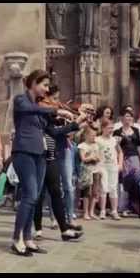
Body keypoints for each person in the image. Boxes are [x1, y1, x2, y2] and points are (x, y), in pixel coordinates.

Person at [10, 69, 74, 257]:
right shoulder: (21, 100)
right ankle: (16, 239)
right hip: (23, 152)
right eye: (44, 85)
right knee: (29, 195)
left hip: (40, 154)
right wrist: (56, 109)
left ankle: (28, 239)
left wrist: (76, 124)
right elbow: (31, 109)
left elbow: (53, 132)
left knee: (34, 198)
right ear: (33, 83)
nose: (47, 89)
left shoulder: (40, 109)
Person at [32, 85, 86, 241]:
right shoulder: (38, 112)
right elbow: (54, 132)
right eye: (53, 99)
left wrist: (76, 122)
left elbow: (59, 131)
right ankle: (38, 228)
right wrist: (74, 123)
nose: (56, 103)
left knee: (56, 193)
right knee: (39, 195)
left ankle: (64, 230)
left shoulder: (50, 115)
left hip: (51, 156)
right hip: (39, 158)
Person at [114, 108, 140, 218]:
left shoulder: (136, 130)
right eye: (127, 116)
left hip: (135, 157)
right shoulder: (117, 132)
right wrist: (119, 162)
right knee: (126, 183)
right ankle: (125, 208)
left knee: (137, 181)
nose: (129, 118)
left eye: (130, 116)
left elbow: (139, 147)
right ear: (122, 118)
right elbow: (116, 148)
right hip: (124, 158)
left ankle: (138, 209)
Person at [96, 118, 123, 220]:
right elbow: (95, 152)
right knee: (103, 188)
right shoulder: (98, 140)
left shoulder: (114, 140)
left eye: (112, 128)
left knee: (113, 188)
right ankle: (102, 210)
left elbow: (120, 152)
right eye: (108, 128)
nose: (111, 130)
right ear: (103, 128)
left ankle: (114, 211)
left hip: (113, 166)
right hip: (102, 167)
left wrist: (120, 164)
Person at [78, 127, 104, 220]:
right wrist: (91, 158)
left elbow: (100, 157)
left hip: (96, 169)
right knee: (87, 192)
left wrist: (97, 158)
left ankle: (91, 211)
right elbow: (83, 158)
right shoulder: (82, 146)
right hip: (87, 170)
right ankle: (85, 212)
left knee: (95, 192)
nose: (94, 137)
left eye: (95, 135)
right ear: (86, 135)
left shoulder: (96, 145)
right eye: (92, 135)